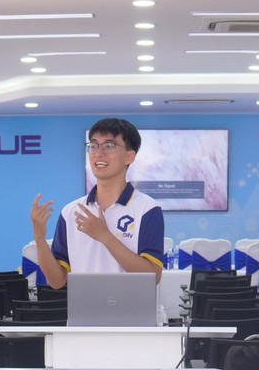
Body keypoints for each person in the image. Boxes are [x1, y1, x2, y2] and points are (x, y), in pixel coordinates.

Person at [27, 117, 164, 290]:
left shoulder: (147, 209)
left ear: (129, 156)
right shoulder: (71, 211)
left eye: (109, 146)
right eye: (93, 146)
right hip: (83, 307)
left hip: (130, 307)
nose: (99, 153)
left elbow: (153, 276)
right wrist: (39, 238)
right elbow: (57, 281)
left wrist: (105, 236)